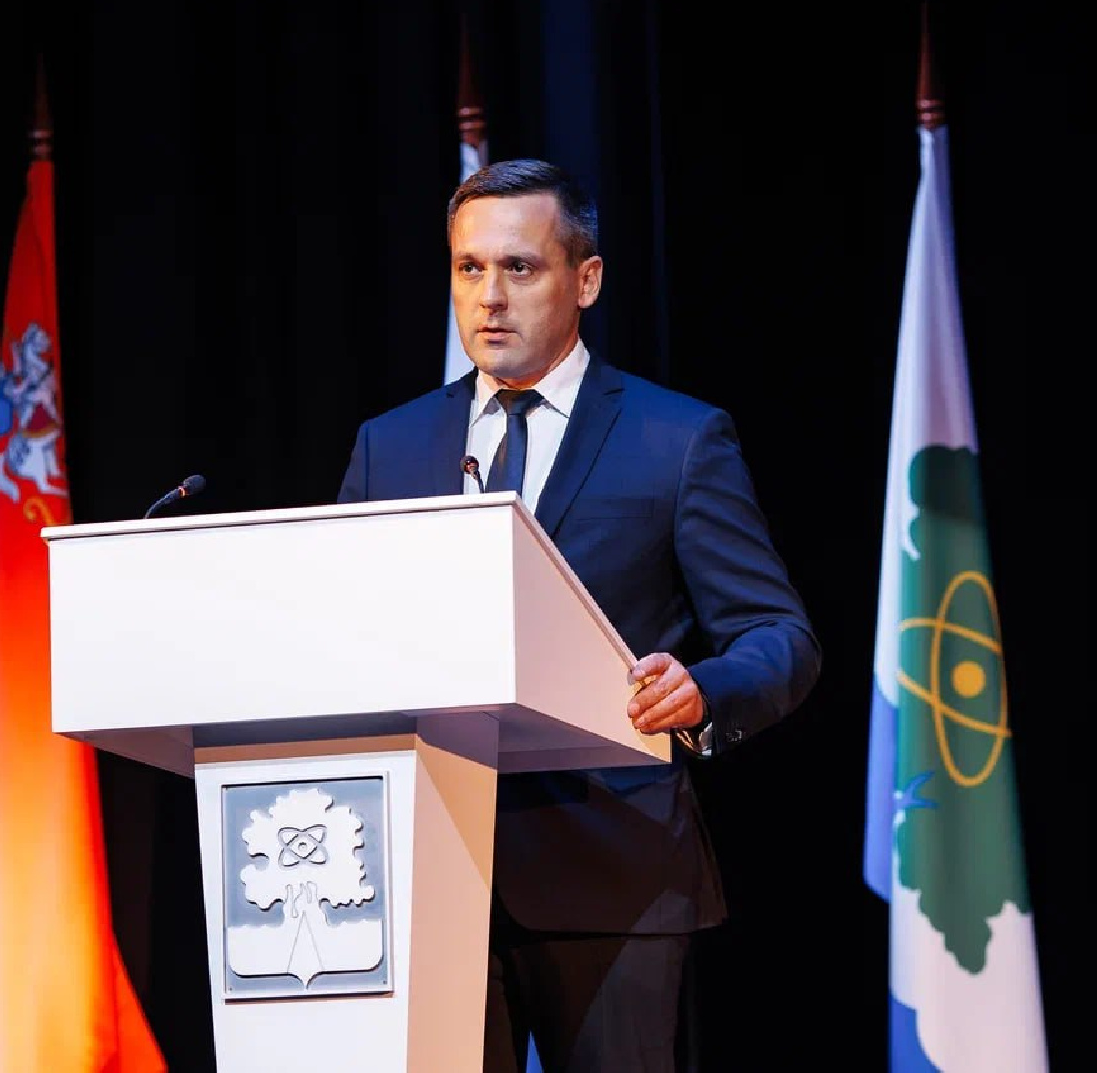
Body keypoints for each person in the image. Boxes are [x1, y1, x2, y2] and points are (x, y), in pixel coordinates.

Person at [336, 158, 821, 1072]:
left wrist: (700, 689)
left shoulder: (675, 438)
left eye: (518, 268)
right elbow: (341, 631)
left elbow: (778, 637)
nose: (489, 297)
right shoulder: (388, 445)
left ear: (585, 280)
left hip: (610, 870)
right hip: (420, 873)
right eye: (468, 268)